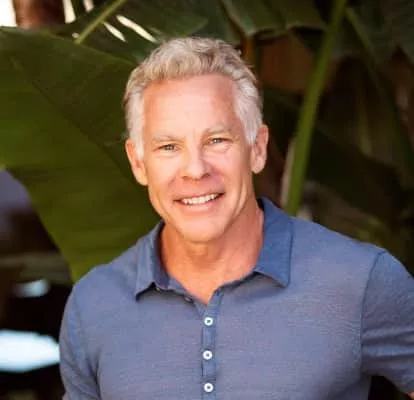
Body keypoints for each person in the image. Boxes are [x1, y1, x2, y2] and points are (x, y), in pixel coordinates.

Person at [59, 37, 414, 400]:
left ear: (257, 148)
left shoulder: (360, 280)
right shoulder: (94, 305)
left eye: (217, 140)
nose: (195, 169)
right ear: (138, 162)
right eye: (169, 147)